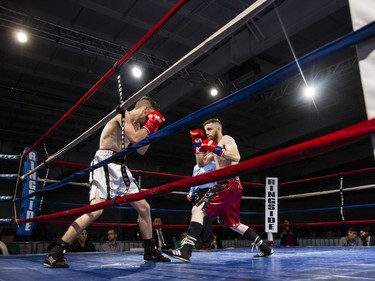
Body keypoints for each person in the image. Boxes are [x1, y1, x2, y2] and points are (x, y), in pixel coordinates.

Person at [44, 96, 170, 268]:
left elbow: (141, 150)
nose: (148, 122)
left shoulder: (140, 126)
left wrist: (152, 128)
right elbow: (134, 138)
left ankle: (150, 251)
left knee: (144, 207)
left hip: (121, 166)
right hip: (105, 162)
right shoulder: (122, 115)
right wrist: (149, 127)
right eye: (149, 118)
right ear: (146, 110)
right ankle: (56, 251)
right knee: (96, 211)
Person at [163, 118, 273, 262]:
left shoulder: (227, 139)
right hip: (232, 187)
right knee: (233, 224)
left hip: (228, 184)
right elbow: (201, 163)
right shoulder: (213, 145)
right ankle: (265, 248)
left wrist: (215, 148)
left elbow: (236, 156)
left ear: (218, 129)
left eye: (209, 129)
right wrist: (197, 146)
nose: (206, 133)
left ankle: (186, 250)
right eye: (206, 130)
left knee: (197, 209)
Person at [188, 129, 216, 250]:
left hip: (209, 191)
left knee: (207, 220)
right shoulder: (196, 166)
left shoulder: (214, 164)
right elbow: (194, 180)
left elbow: (217, 181)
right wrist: (191, 192)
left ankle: (207, 245)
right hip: (198, 193)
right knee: (196, 217)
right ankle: (196, 244)